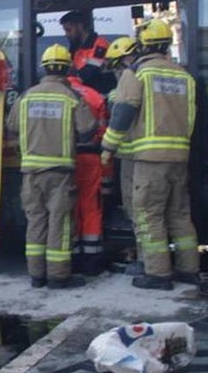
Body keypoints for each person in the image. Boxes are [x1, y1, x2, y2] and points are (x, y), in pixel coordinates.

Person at [100, 20, 199, 291]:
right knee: (179, 214)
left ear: (142, 44)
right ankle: (189, 270)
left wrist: (108, 148)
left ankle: (158, 274)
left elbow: (123, 113)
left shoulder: (138, 74)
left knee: (148, 215)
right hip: (179, 157)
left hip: (150, 160)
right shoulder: (184, 76)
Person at [9, 45, 97, 289]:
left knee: (36, 222)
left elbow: (12, 126)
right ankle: (58, 276)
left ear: (44, 68)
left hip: (30, 174)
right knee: (60, 222)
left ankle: (37, 275)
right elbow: (88, 130)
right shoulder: (71, 98)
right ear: (67, 68)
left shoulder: (27, 97)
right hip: (60, 173)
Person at [103, 36, 142, 274]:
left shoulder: (130, 81)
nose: (116, 72)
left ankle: (146, 261)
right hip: (149, 156)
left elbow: (120, 116)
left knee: (138, 209)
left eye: (117, 65)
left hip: (134, 158)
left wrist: (107, 148)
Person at [66, 74, 108, 276]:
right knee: (91, 207)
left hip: (66, 159)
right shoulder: (95, 96)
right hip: (91, 157)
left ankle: (72, 257)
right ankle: (92, 262)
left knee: (69, 208)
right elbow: (102, 132)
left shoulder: (56, 95)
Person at [60, 9, 117, 94]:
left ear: (80, 26)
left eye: (69, 30)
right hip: (81, 92)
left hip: (98, 93)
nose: (66, 34)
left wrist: (71, 77)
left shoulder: (100, 44)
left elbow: (91, 71)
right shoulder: (75, 47)